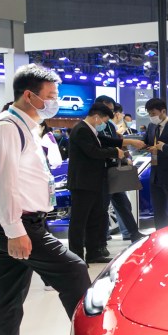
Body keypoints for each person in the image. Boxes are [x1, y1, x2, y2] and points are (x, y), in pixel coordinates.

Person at [0, 64, 92, 335]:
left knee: (9, 296)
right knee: (73, 271)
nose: (55, 102)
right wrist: (15, 231)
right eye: (51, 96)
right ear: (29, 96)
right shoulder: (4, 127)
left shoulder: (27, 126)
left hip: (21, 223)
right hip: (17, 225)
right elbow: (3, 184)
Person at [67, 103, 125, 263]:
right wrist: (115, 152)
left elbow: (104, 141)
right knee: (79, 221)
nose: (103, 125)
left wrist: (124, 143)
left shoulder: (89, 130)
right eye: (104, 121)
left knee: (95, 218)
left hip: (93, 182)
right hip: (82, 183)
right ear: (97, 117)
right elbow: (93, 152)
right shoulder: (81, 130)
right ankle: (76, 256)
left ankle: (93, 253)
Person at [94, 97, 144, 248]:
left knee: (123, 204)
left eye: (112, 109)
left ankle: (133, 234)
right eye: (108, 108)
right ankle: (100, 241)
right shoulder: (92, 125)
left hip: (113, 170)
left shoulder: (109, 124)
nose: (111, 112)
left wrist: (124, 151)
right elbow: (102, 145)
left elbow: (115, 141)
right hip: (100, 172)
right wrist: (121, 147)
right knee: (102, 209)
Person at [144, 98, 168, 229]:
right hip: (155, 174)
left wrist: (162, 148)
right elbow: (146, 142)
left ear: (163, 111)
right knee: (158, 210)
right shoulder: (151, 126)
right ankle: (160, 234)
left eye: (153, 113)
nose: (151, 116)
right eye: (149, 114)